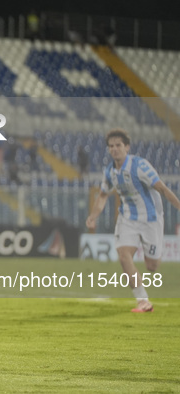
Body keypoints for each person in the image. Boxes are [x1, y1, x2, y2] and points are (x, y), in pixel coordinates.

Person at [86, 129, 180, 313]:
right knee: (123, 255)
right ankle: (143, 301)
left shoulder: (140, 166)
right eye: (111, 146)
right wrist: (93, 216)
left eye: (118, 145)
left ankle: (147, 268)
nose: (114, 149)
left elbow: (162, 188)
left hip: (151, 219)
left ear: (127, 147)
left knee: (152, 267)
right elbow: (103, 195)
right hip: (127, 218)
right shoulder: (110, 172)